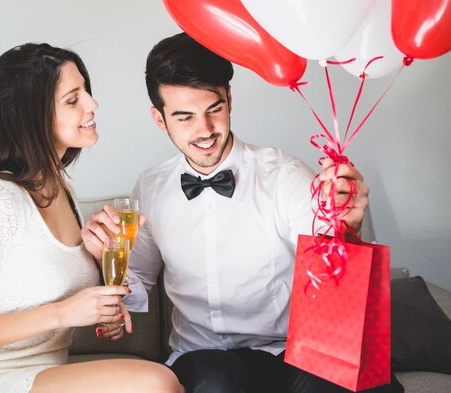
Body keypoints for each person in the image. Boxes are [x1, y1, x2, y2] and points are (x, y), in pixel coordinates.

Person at [81, 33, 404, 393]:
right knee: (216, 381)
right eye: (184, 117)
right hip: (200, 356)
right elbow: (138, 283)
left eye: (214, 109)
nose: (204, 131)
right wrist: (108, 266)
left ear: (230, 99)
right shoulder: (150, 187)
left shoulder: (284, 175)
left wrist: (349, 229)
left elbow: (334, 275)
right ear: (160, 119)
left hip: (284, 352)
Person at [0, 43, 183, 393]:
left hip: (47, 375)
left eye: (86, 93)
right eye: (73, 99)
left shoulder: (64, 192)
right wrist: (64, 312)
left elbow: (58, 290)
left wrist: (104, 288)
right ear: (32, 116)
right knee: (157, 382)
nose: (92, 105)